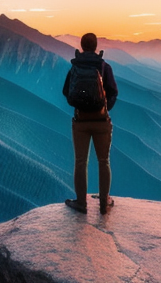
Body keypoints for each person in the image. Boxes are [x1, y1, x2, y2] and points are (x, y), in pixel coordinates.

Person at [62, 33, 118, 214]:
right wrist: (104, 108)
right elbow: (113, 92)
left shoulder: (75, 67)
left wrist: (82, 105)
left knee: (80, 161)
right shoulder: (104, 66)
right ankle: (104, 203)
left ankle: (81, 202)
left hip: (80, 121)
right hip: (101, 121)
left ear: (82, 46)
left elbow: (66, 92)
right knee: (104, 161)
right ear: (95, 46)